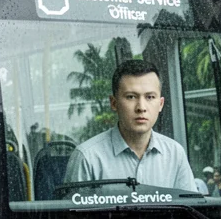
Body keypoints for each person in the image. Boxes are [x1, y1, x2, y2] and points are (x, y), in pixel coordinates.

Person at [64, 59, 197, 191]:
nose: (141, 107)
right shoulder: (87, 157)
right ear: (114, 103)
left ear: (160, 104)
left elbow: (191, 210)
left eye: (150, 97)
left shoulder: (175, 154)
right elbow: (73, 212)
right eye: (131, 97)